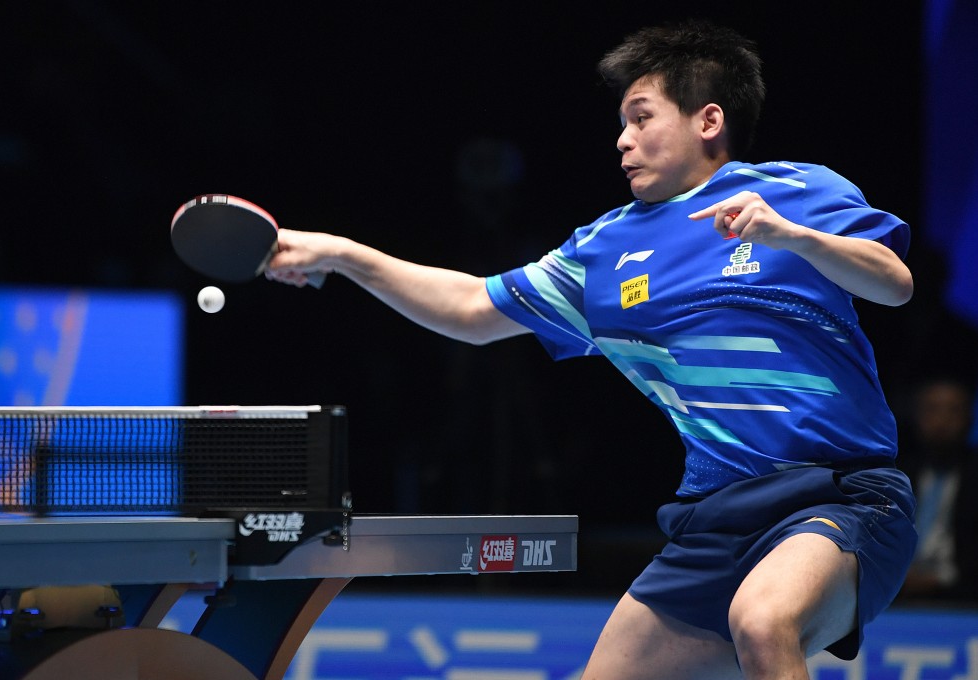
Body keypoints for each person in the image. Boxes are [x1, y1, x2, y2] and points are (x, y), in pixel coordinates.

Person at [265, 19, 917, 680]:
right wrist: (344, 257)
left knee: (762, 619)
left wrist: (795, 238)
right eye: (621, 123)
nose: (622, 140)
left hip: (840, 498)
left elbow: (893, 284)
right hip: (716, 521)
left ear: (709, 120)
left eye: (641, 117)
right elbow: (470, 309)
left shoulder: (797, 192)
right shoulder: (603, 252)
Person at [896, 377, 978, 604]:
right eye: (932, 410)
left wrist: (941, 578)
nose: (942, 421)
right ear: (917, 417)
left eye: (953, 411)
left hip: (970, 596)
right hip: (897, 591)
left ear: (971, 418)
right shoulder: (898, 473)